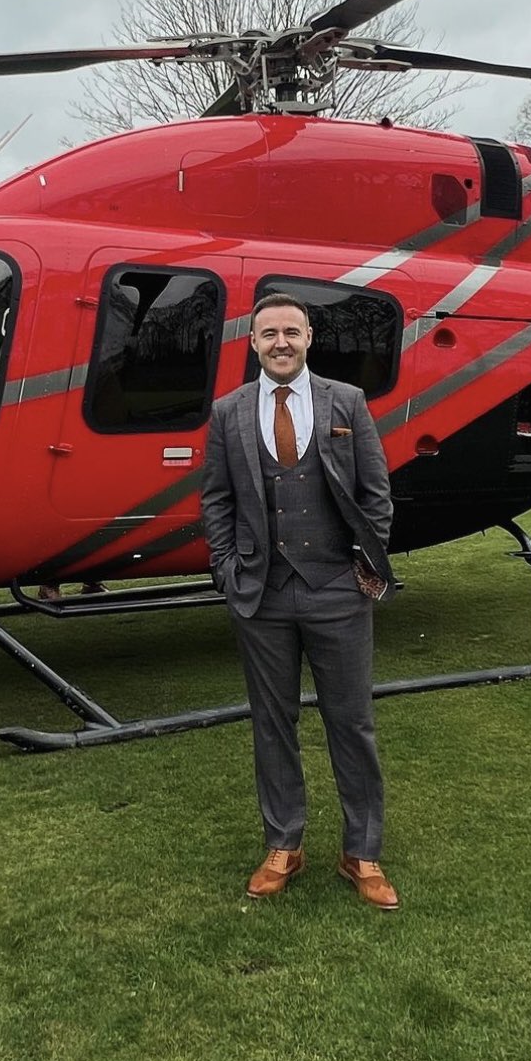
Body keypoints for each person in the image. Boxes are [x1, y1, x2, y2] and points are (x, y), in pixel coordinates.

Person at [200, 292, 399, 910]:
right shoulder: (227, 412)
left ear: (309, 337)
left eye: (291, 331)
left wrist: (365, 563)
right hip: (262, 595)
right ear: (253, 344)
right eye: (268, 334)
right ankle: (284, 842)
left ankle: (361, 851)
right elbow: (217, 501)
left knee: (352, 722)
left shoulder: (347, 402)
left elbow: (376, 493)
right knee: (271, 724)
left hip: (338, 590)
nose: (280, 342)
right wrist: (229, 571)